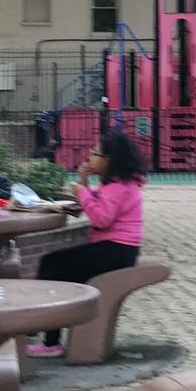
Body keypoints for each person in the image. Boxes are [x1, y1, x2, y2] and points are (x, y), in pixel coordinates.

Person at [31, 131, 146, 357]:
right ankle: (52, 331)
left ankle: (48, 334)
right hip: (116, 249)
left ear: (109, 160)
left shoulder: (119, 187)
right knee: (59, 265)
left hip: (116, 251)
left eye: (95, 154)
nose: (89, 158)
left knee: (52, 264)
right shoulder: (119, 183)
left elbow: (101, 218)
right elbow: (99, 203)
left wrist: (81, 191)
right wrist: (84, 183)